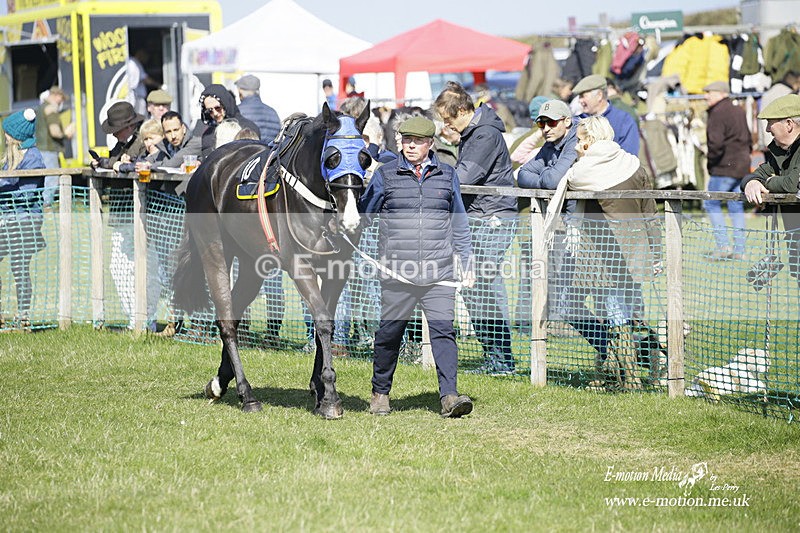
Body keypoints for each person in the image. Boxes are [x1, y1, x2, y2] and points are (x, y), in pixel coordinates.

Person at [359, 115, 475, 418]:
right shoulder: (385, 174)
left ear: (430, 144)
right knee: (390, 333)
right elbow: (364, 216)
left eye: (418, 141)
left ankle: (449, 397)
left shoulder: (447, 175)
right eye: (406, 140)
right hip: (398, 272)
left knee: (443, 332)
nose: (411, 145)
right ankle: (380, 394)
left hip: (439, 272)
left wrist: (466, 259)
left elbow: (459, 220)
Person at [542, 115, 662, 388]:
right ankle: (626, 363)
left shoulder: (584, 171)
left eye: (581, 139)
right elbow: (650, 215)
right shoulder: (634, 165)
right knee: (595, 309)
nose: (576, 145)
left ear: (592, 141)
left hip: (604, 255)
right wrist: (656, 253)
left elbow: (555, 179)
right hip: (624, 252)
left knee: (612, 311)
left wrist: (578, 157)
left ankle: (628, 376)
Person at [434, 81, 518, 375]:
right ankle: (494, 358)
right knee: (475, 289)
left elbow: (466, 176)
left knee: (484, 287)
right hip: (480, 217)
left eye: (448, 119)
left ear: (460, 111)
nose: (447, 126)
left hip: (493, 218)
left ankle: (502, 361)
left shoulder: (484, 134)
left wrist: (435, 182)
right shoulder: (475, 133)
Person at [743, 94, 800, 286]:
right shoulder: (780, 151)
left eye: (770, 123)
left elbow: (792, 184)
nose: (767, 129)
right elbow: (754, 175)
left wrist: (767, 182)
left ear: (789, 124)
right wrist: (751, 183)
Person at [0, 108, 47, 328]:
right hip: (7, 219)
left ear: (14, 135)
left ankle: (24, 315)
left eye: (7, 133)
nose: (5, 136)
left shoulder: (33, 157)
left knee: (19, 268)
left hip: (24, 221)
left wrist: (3, 187)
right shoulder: (9, 159)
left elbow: (26, 193)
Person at [701, 81, 752, 261]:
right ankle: (740, 251)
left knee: (711, 203)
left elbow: (715, 144)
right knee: (736, 205)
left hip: (724, 167)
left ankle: (723, 246)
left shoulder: (717, 112)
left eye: (709, 92)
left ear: (721, 93)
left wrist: (711, 164)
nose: (706, 96)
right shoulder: (738, 110)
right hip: (741, 166)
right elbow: (748, 137)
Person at [572, 74, 640, 156]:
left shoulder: (624, 120)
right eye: (579, 97)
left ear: (599, 95)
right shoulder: (577, 121)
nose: (580, 101)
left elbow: (629, 156)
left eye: (583, 96)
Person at [35, 86, 75, 208]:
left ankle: (42, 203)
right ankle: (46, 205)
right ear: (57, 96)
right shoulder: (50, 108)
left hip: (41, 147)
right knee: (52, 177)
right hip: (49, 148)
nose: (61, 102)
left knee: (44, 178)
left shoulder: (41, 107)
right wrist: (65, 134)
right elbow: (54, 131)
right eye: (61, 99)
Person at [195, 84, 260, 158]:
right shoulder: (208, 134)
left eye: (218, 108)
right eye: (210, 110)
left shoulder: (248, 128)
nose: (215, 113)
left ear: (225, 104)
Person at [90, 101, 146, 171]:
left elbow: (145, 164)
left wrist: (127, 164)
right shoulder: (122, 143)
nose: (113, 134)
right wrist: (99, 162)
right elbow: (112, 161)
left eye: (117, 131)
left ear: (129, 127)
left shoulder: (145, 140)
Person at [758, 71, 800, 149]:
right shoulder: (788, 94)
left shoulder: (770, 91)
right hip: (777, 141)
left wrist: (762, 141)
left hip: (770, 141)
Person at [234, 74, 281, 142]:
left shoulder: (238, 111)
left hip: (249, 151)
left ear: (240, 91)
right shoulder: (272, 112)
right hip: (269, 151)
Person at [126, 48, 158, 115]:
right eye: (146, 56)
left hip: (133, 96)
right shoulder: (134, 63)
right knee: (141, 119)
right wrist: (158, 85)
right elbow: (145, 79)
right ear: (140, 53)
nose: (146, 59)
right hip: (136, 97)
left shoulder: (129, 61)